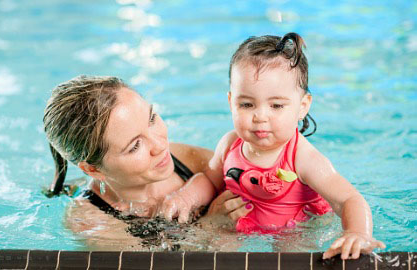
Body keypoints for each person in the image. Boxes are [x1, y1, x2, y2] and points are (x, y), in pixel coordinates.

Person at [159, 32, 386, 259]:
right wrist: (185, 197)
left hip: (293, 229)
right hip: (238, 222)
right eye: (247, 104)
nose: (260, 116)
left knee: (290, 255)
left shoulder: (302, 157)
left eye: (276, 106)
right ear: (231, 102)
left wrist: (357, 233)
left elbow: (348, 199)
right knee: (212, 253)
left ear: (302, 106)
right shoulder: (230, 143)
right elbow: (210, 179)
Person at [43, 75, 253, 250]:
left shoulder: (186, 159)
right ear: (93, 169)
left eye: (152, 119)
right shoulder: (93, 223)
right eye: (135, 146)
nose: (160, 146)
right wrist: (210, 227)